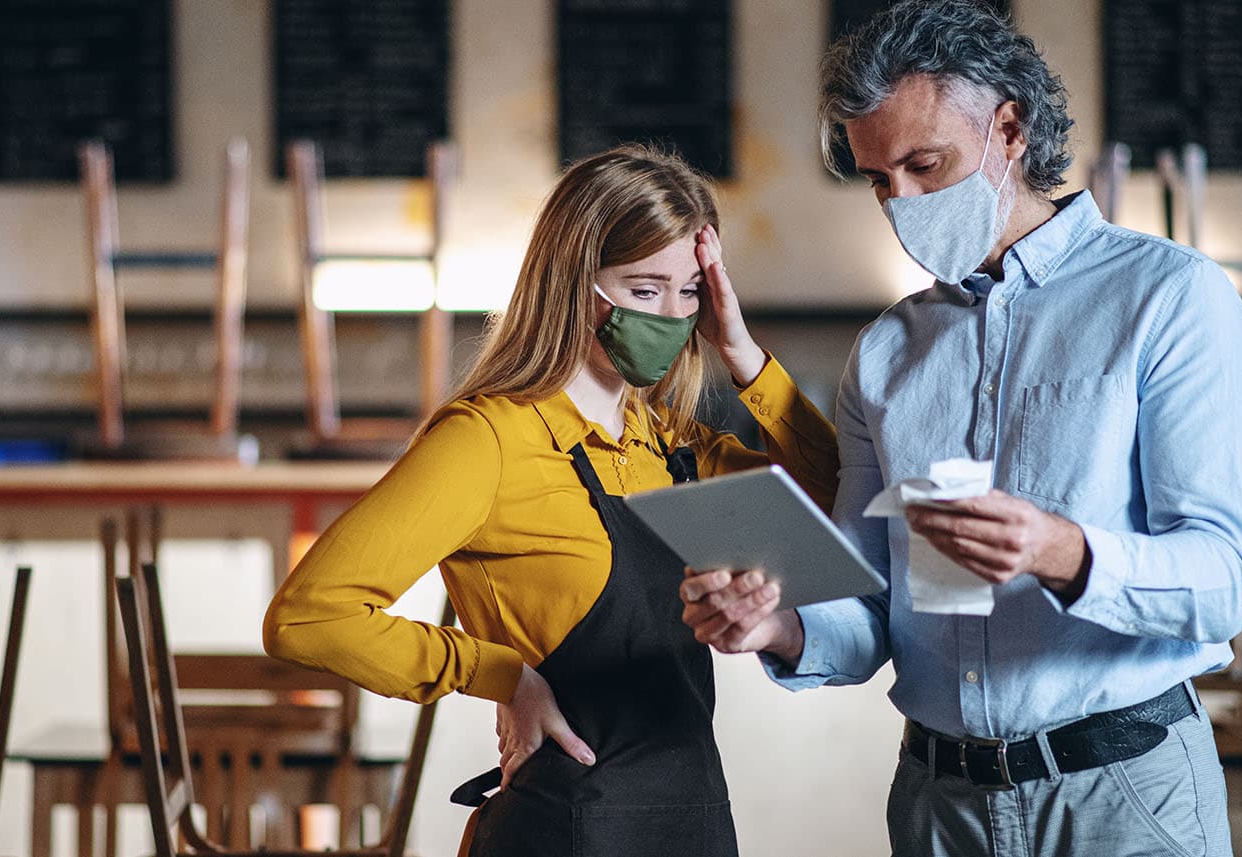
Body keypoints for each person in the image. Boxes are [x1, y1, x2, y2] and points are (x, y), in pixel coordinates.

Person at [679, 2, 1242, 855]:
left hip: (1124, 792)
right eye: (880, 179)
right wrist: (778, 625)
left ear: (1011, 128)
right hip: (937, 801)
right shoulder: (886, 353)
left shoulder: (1171, 300)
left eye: (925, 164)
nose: (902, 201)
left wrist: (1059, 548)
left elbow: (1222, 584)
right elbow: (871, 605)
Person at [263, 144, 837, 857]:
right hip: (567, 828)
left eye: (690, 292)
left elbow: (837, 496)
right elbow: (309, 617)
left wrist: (744, 351)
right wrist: (502, 675)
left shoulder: (671, 448)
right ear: (574, 283)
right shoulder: (486, 440)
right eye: (644, 288)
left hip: (695, 824)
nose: (672, 315)